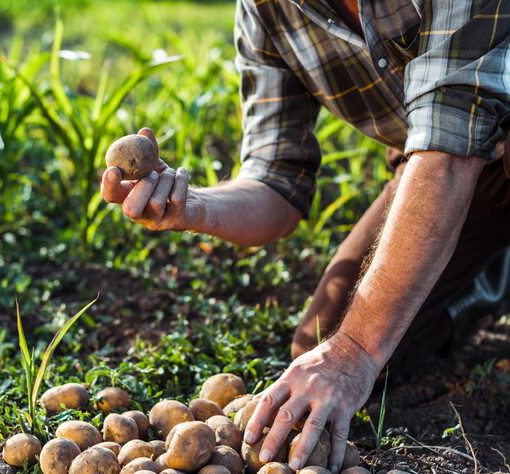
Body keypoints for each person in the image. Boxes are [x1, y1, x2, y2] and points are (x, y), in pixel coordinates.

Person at [102, 0, 510, 472]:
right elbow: (276, 180)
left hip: (459, 151)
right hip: (443, 165)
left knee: (355, 348)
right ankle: (490, 271)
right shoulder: (264, 10)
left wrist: (353, 354)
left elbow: (449, 148)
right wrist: (191, 206)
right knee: (326, 338)